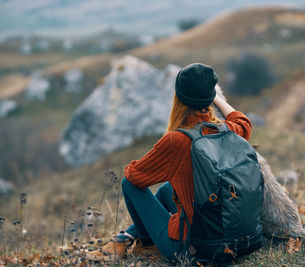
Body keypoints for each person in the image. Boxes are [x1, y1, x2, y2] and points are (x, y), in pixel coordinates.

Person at [97, 63, 253, 262]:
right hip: (233, 239)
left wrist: (161, 157)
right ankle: (128, 236)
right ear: (210, 98)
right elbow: (243, 121)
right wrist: (213, 96)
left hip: (190, 249)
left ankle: (146, 243)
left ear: (179, 97)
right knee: (167, 189)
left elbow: (134, 176)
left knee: (129, 185)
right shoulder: (226, 130)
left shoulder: (177, 140)